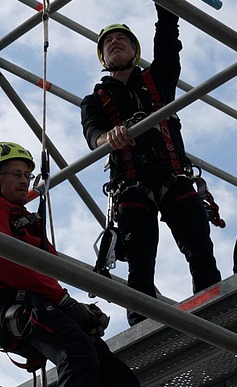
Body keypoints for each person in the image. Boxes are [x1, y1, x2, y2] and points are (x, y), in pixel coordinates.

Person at [81, 0, 222, 326]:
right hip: (132, 186)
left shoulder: (157, 80)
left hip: (173, 177)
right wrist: (106, 139)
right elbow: (93, 134)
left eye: (122, 40)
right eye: (108, 42)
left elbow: (168, 23)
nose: (115, 43)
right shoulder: (95, 100)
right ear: (102, 57)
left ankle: (216, 318)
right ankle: (143, 331)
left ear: (134, 50)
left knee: (201, 252)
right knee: (140, 267)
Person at [0, 142, 140, 387]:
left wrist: (71, 306)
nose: (24, 180)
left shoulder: (22, 218)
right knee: (77, 355)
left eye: (27, 175)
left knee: (118, 377)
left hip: (35, 303)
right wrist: (64, 301)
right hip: (13, 304)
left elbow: (48, 266)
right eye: (15, 174)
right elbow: (8, 264)